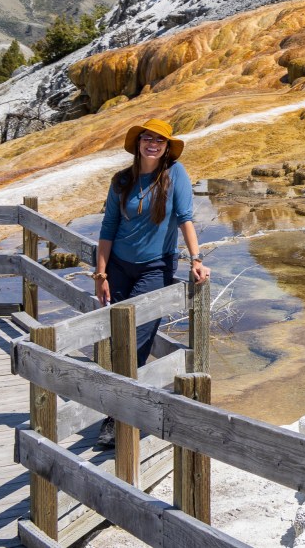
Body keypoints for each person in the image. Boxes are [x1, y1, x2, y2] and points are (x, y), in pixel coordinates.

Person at [93, 117, 210, 447]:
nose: (153, 144)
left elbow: (185, 218)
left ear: (167, 147)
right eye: (148, 138)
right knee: (118, 337)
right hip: (117, 267)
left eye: (160, 141)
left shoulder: (175, 174)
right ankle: (121, 408)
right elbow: (108, 229)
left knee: (138, 339)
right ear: (138, 143)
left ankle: (118, 418)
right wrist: (100, 274)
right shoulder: (121, 181)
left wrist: (196, 260)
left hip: (155, 268)